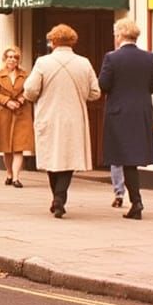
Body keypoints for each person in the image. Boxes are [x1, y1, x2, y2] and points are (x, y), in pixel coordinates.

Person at [23, 24, 100, 219]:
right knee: (68, 159)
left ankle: (57, 197)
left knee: (52, 158)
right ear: (72, 41)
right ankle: (59, 198)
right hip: (74, 117)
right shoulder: (84, 63)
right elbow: (95, 92)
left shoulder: (42, 62)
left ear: (53, 41)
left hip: (48, 115)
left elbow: (30, 91)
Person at [98, 17, 153, 220]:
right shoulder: (149, 57)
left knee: (125, 159)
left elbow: (103, 85)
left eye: (115, 34)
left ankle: (136, 202)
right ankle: (136, 201)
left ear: (121, 35)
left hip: (119, 113)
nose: (115, 37)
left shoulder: (112, 58)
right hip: (141, 111)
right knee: (132, 159)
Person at [0, 46, 35, 188]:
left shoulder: (25, 74)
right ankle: (8, 173)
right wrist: (7, 101)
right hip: (5, 114)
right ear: (4, 58)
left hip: (21, 114)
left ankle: (16, 177)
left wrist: (22, 98)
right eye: (9, 57)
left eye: (15, 57)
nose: (12, 60)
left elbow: (30, 90)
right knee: (6, 147)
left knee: (19, 147)